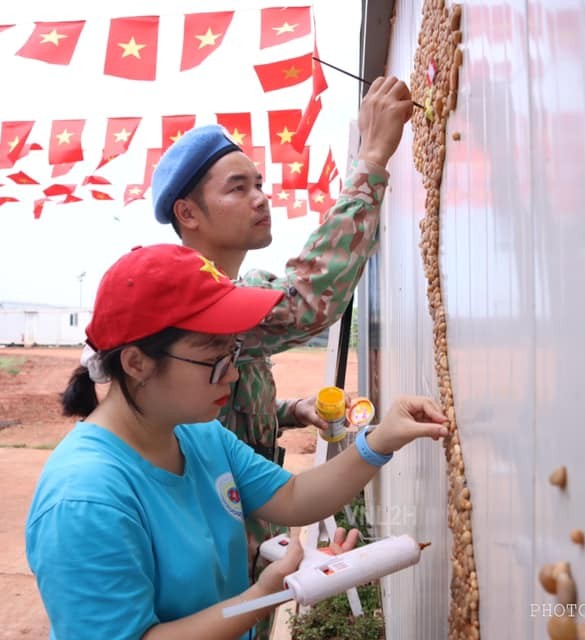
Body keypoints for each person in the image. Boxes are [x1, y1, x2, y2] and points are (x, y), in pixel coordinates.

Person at [25, 243, 448, 640]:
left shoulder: (199, 435)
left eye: (233, 355)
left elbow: (295, 497)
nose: (231, 375)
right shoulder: (85, 499)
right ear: (136, 362)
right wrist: (262, 595)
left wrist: (380, 441)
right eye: (213, 361)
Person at [150, 75, 414, 466]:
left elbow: (226, 411)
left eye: (258, 184)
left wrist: (292, 411)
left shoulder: (238, 292)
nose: (260, 199)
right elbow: (309, 301)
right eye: (237, 188)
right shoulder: (193, 305)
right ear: (187, 213)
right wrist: (372, 158)